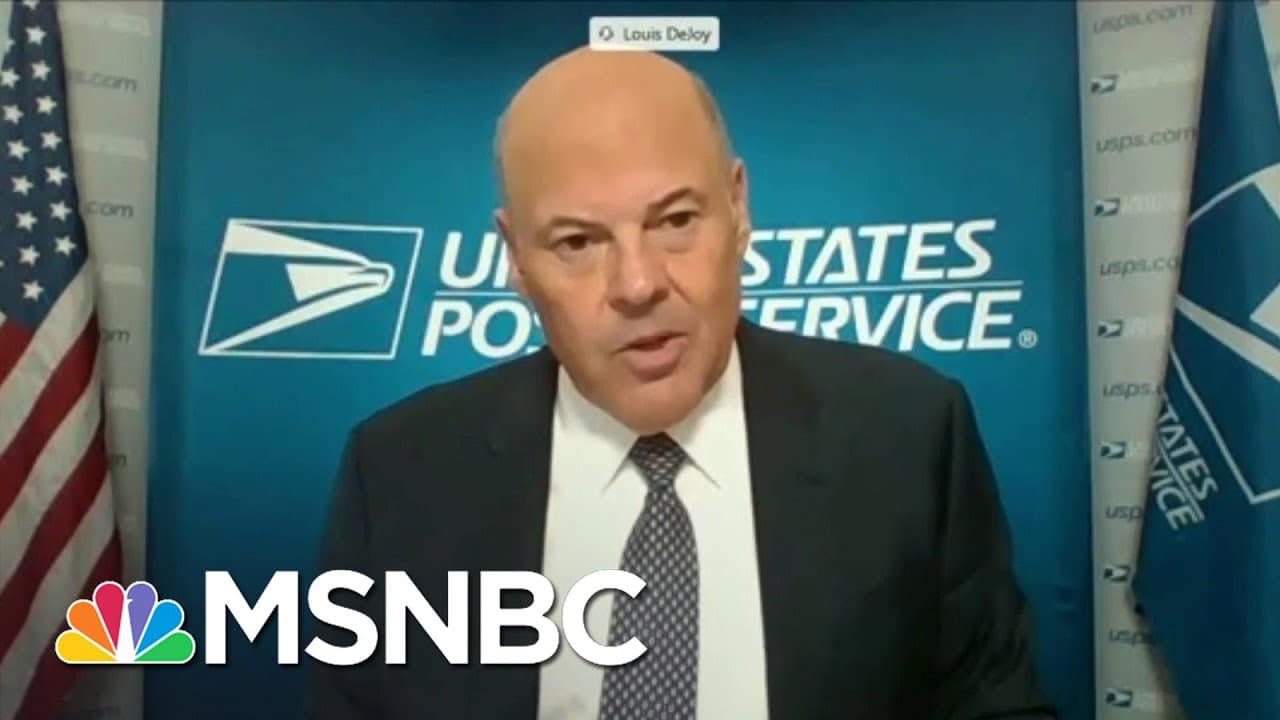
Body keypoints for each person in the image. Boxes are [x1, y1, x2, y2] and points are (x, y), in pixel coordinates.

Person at [307, 47, 1054, 720]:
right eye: (578, 241)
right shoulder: (400, 476)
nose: (638, 284)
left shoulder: (909, 435)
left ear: (738, 206)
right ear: (516, 258)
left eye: (674, 221)